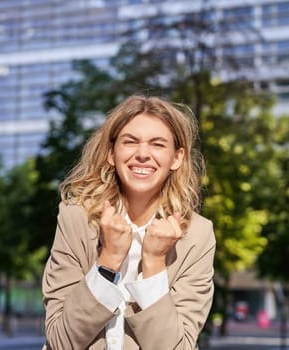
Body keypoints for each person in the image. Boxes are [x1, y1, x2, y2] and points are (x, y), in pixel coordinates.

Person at [42, 95, 216, 349]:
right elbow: (60, 342)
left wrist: (155, 263)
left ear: (177, 158)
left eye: (157, 144)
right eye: (130, 141)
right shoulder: (75, 218)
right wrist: (108, 260)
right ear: (112, 153)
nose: (143, 154)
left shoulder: (197, 235)